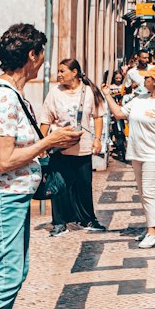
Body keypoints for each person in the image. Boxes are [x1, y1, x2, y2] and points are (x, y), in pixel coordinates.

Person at [0, 24, 80, 309]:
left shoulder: (14, 95)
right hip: (3, 199)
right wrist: (49, 141)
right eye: (42, 54)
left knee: (15, 273)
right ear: (32, 56)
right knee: (4, 279)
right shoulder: (3, 99)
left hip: (16, 198)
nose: (44, 61)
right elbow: (4, 159)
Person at [103, 65, 155, 249]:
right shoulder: (140, 99)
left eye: (147, 78)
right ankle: (148, 227)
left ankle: (153, 232)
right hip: (137, 153)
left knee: (149, 192)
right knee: (143, 192)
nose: (144, 80)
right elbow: (119, 114)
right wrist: (107, 95)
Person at [41, 58, 106, 235]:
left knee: (84, 184)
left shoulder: (89, 91)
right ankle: (60, 222)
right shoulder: (55, 92)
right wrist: (41, 144)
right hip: (60, 146)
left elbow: (98, 116)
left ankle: (87, 219)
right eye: (59, 71)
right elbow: (45, 119)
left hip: (82, 146)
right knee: (59, 185)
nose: (59, 74)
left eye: (62, 71)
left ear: (75, 72)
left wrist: (97, 139)